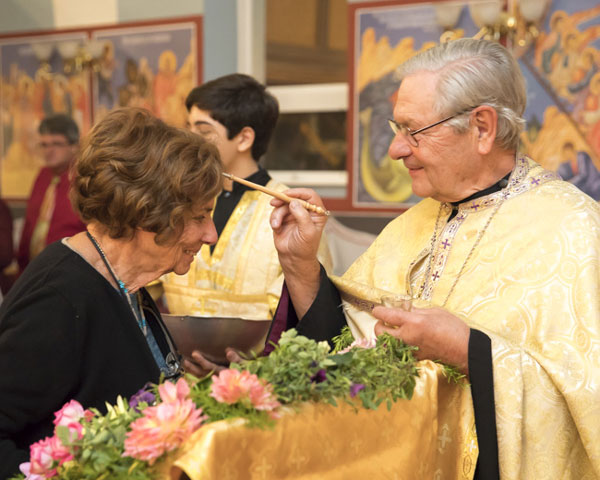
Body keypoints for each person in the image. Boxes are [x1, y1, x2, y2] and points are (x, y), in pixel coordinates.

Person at [268, 39, 600, 478]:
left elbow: (586, 403)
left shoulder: (577, 230)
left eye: (414, 130)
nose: (396, 150)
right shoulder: (413, 222)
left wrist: (468, 351)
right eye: (395, 128)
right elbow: (345, 351)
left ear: (482, 127)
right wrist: (301, 266)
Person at [0, 107, 223, 479]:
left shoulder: (124, 279)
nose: (211, 234)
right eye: (199, 216)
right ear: (148, 213)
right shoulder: (59, 297)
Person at [160, 74, 331, 370]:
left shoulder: (291, 213)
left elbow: (308, 317)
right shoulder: (178, 203)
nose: (189, 140)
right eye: (187, 128)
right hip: (177, 373)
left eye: (202, 131)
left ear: (244, 138)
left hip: (258, 383)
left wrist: (251, 370)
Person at [17, 114, 86, 273]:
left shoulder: (83, 180)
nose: (49, 151)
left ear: (74, 146)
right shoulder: (42, 175)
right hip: (34, 270)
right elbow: (29, 224)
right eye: (44, 145)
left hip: (69, 269)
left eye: (56, 144)